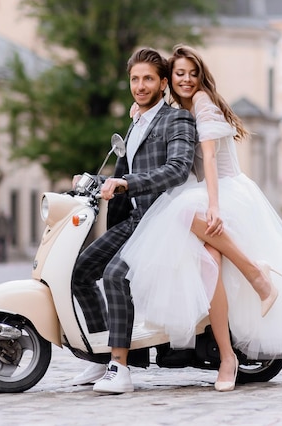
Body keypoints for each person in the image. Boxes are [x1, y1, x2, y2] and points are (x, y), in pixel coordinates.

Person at [120, 45, 282, 390]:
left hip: (224, 191)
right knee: (207, 265)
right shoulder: (176, 108)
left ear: (200, 77)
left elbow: (209, 160)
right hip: (204, 192)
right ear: (169, 80)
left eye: (192, 74)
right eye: (179, 73)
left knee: (181, 215)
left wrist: (212, 206)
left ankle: (255, 281)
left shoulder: (202, 103)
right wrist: (140, 109)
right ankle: (226, 354)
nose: (186, 79)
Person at [70, 47, 197, 394]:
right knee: (80, 272)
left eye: (148, 79)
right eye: (135, 79)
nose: (140, 86)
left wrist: (128, 183)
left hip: (163, 220)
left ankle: (120, 368)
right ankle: (100, 359)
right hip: (135, 218)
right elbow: (121, 172)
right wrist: (91, 183)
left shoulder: (177, 120)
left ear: (163, 83)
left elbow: (177, 169)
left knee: (115, 274)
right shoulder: (135, 122)